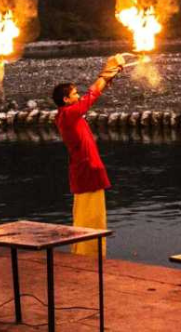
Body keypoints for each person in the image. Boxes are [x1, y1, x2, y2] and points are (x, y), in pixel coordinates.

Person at [52, 55, 125, 256]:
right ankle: (88, 254)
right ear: (66, 100)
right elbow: (91, 96)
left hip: (86, 168)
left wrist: (112, 74)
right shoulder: (67, 115)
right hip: (87, 170)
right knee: (90, 216)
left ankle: (86, 251)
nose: (78, 96)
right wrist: (106, 73)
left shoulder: (68, 115)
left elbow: (89, 97)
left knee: (88, 214)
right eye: (74, 94)